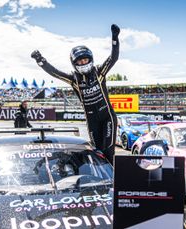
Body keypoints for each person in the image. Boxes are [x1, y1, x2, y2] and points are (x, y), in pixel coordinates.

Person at [31, 24, 120, 164]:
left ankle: (113, 180)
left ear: (90, 59)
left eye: (85, 60)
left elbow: (113, 58)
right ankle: (100, 179)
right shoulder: (74, 79)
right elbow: (55, 73)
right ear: (74, 63)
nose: (83, 62)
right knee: (97, 152)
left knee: (108, 150)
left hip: (107, 117)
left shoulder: (99, 72)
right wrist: (41, 61)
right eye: (79, 61)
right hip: (92, 121)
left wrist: (115, 38)